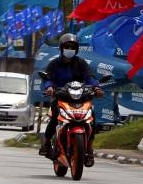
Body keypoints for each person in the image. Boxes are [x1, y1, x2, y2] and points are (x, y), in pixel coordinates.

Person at [40, 34, 101, 165]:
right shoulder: (54, 64)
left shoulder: (81, 63)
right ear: (62, 48)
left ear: (77, 49)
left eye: (72, 47)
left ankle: (89, 150)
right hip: (61, 97)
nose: (69, 49)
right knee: (54, 116)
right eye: (67, 47)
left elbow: (90, 78)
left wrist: (96, 88)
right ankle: (45, 144)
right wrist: (50, 87)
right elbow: (48, 79)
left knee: (92, 119)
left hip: (80, 98)